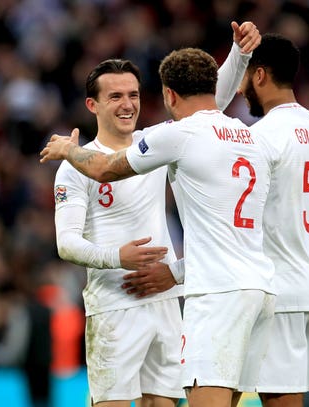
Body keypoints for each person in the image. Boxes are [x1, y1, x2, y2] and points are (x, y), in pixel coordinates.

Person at [41, 46, 276, 407]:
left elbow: (207, 103)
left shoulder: (158, 142)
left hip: (166, 300)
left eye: (133, 95)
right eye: (115, 96)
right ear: (93, 105)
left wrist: (238, 55)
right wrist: (115, 256)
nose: (127, 104)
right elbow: (66, 243)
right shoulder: (74, 167)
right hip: (114, 304)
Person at [236, 33, 309, 407]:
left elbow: (240, 216)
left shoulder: (259, 137)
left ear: (259, 75)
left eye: (242, 79)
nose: (240, 90)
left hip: (280, 287)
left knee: (279, 397)